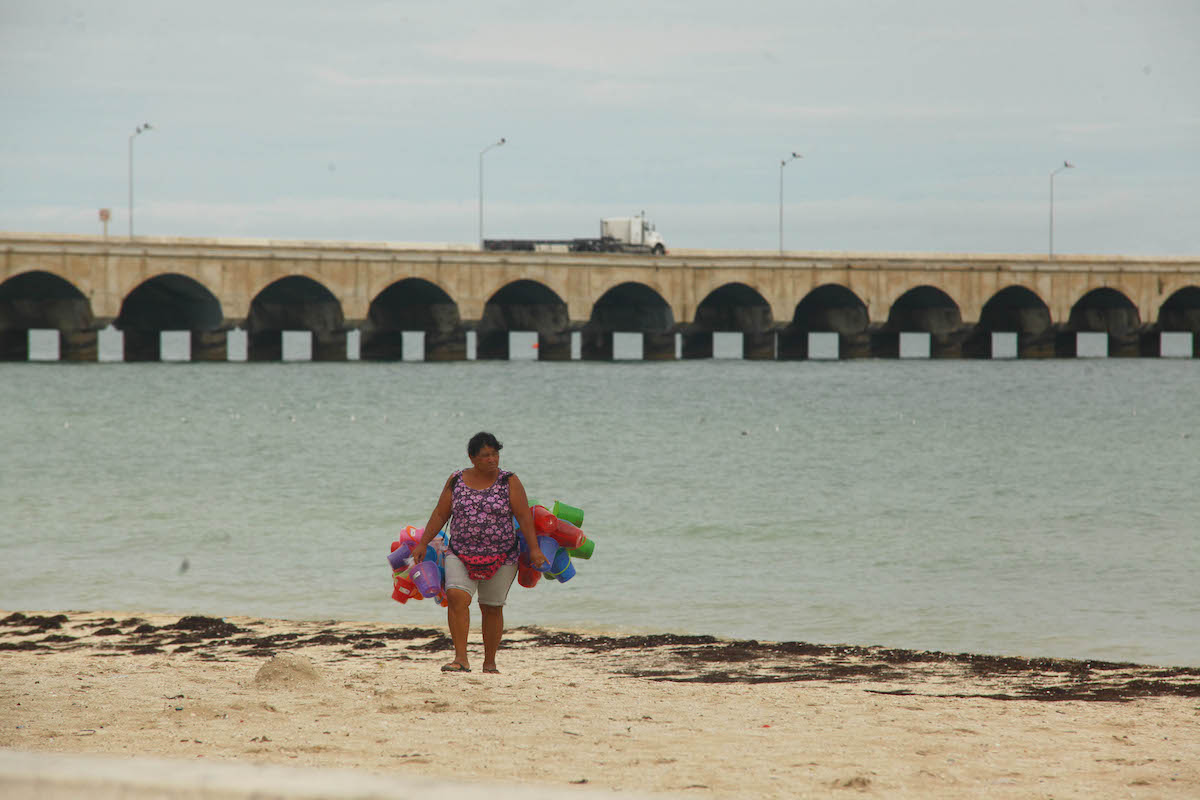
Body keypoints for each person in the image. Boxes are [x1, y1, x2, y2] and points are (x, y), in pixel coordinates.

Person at [412, 431, 546, 674]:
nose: (492, 459)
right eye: (485, 455)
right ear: (472, 457)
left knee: (492, 607)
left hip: (503, 555)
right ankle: (461, 658)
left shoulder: (509, 481)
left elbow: (524, 516)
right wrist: (423, 543)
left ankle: (490, 662)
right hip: (460, 552)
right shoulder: (456, 480)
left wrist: (535, 549)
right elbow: (441, 513)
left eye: (495, 454)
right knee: (456, 597)